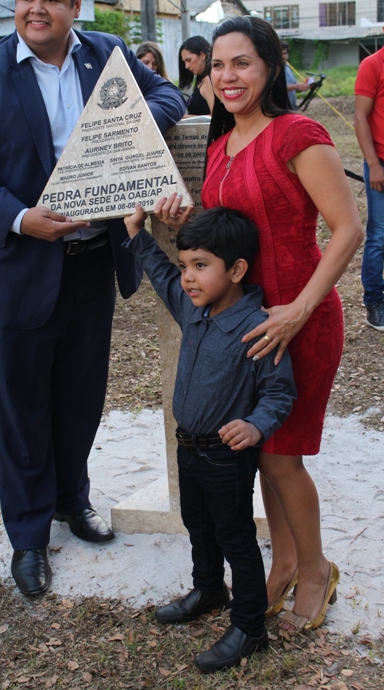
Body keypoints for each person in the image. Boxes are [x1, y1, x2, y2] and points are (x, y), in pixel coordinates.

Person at [0, 0, 186, 598]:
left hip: (91, 264)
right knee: (20, 410)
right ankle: (27, 536)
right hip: (13, 268)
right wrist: (23, 218)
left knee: (79, 398)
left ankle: (71, 500)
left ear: (76, 5)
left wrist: (133, 123)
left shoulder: (106, 54)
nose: (36, 10)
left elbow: (169, 94)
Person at [154, 15, 363, 634]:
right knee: (263, 451)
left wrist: (299, 309)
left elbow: (347, 229)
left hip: (301, 318)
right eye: (218, 65)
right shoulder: (220, 146)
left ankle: (317, 570)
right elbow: (230, 230)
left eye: (241, 62)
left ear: (270, 66)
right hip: (245, 325)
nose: (228, 76)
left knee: (280, 457)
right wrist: (185, 221)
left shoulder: (297, 134)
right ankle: (288, 561)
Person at [123, 206, 296, 671]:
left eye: (200, 266)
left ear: (236, 270)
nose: (188, 277)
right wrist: (137, 234)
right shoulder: (192, 308)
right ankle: (208, 589)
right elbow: (161, 275)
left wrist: (256, 425)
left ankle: (249, 626)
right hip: (188, 448)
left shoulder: (257, 328)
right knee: (197, 524)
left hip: (225, 457)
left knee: (235, 537)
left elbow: (279, 392)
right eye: (186, 266)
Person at [354, 3, 384, 331]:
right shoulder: (373, 65)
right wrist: (373, 165)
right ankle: (374, 303)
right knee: (379, 236)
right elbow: (360, 117)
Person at [178, 35, 214, 116]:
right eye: (184, 62)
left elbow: (217, 117)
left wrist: (185, 118)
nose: (186, 66)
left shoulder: (208, 80)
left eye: (189, 60)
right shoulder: (202, 80)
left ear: (202, 55)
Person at [280, 40, 309, 110]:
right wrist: (297, 86)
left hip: (290, 108)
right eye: (280, 54)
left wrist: (306, 86)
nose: (283, 56)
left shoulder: (287, 68)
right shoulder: (273, 69)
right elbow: (276, 88)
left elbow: (293, 89)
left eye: (285, 53)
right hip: (280, 109)